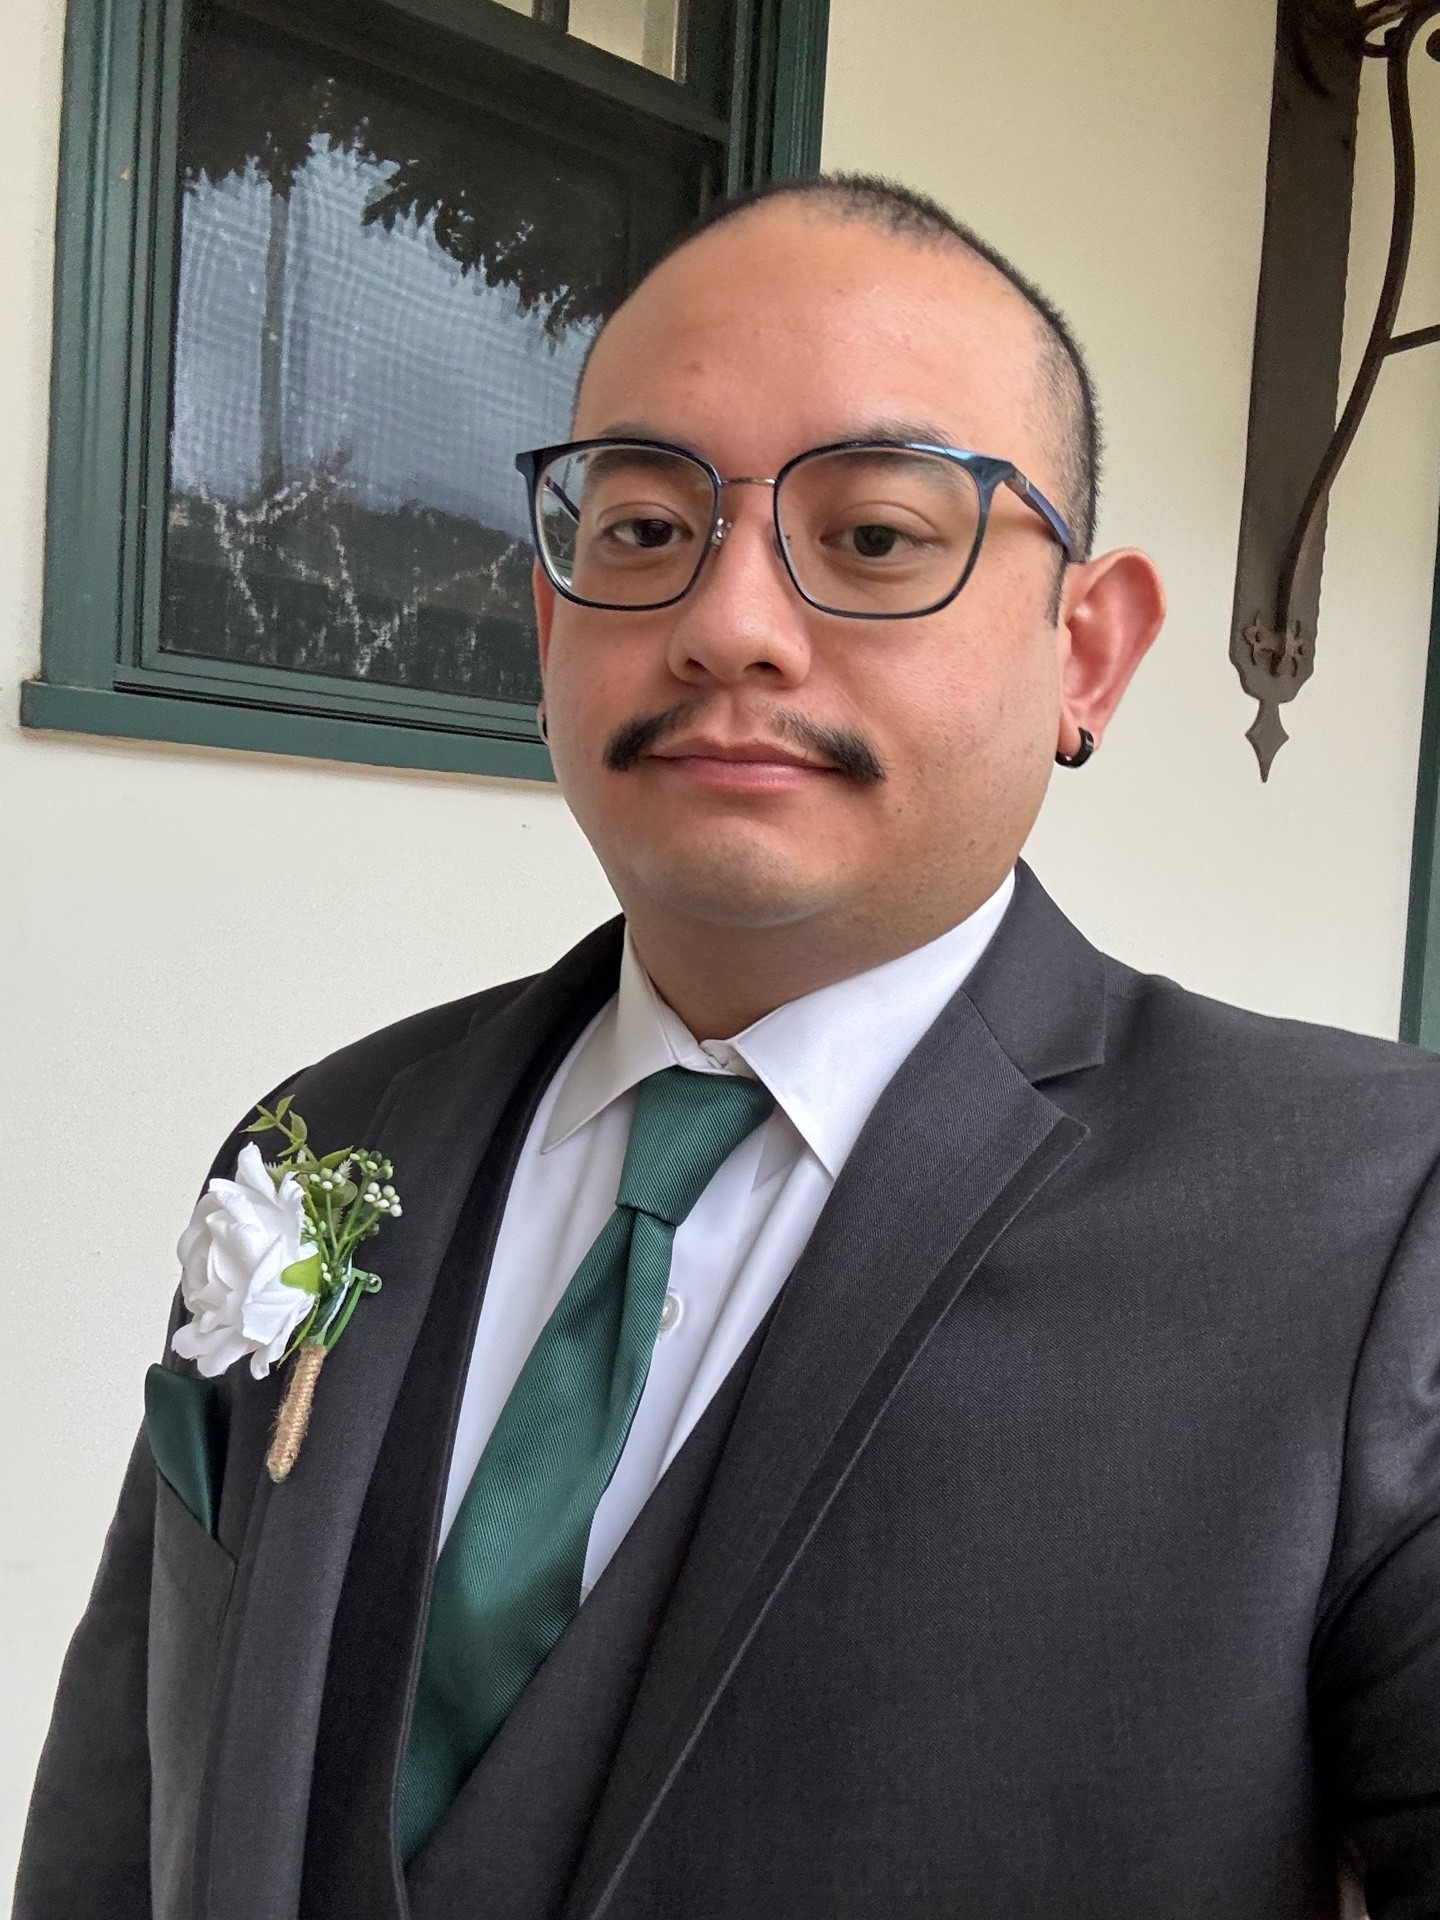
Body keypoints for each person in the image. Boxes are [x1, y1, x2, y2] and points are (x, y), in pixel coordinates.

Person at [14, 172, 1440, 1920]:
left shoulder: (1377, 1227)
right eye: (640, 528)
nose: (728, 626)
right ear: (553, 627)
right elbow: (121, 1817)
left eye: (875, 537)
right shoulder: (327, 1138)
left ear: (1087, 651)